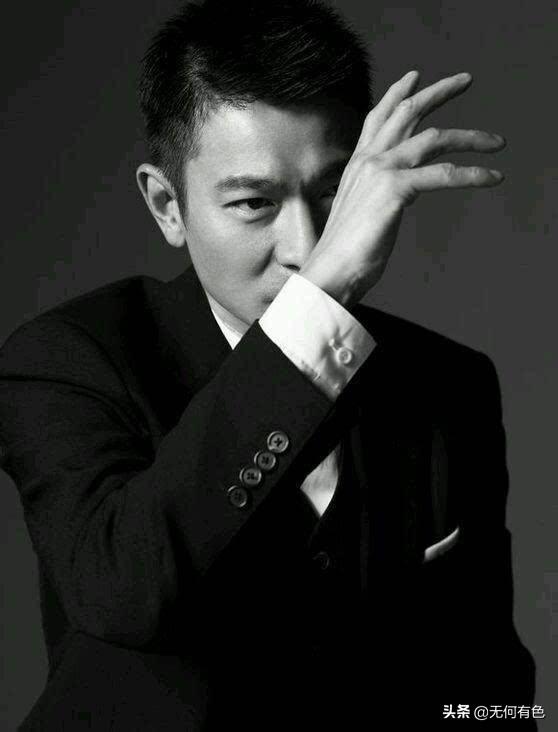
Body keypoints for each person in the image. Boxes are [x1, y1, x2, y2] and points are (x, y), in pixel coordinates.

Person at [0, 0, 536, 729]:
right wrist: (322, 299)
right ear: (167, 206)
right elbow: (124, 591)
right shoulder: (64, 360)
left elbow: (494, 684)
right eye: (254, 203)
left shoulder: (451, 382)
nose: (307, 247)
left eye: (335, 194)